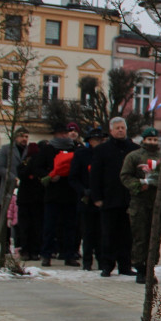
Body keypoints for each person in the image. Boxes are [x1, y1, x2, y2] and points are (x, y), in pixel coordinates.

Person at [90, 117, 138, 278]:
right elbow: (95, 175)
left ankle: (125, 265)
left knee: (126, 235)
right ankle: (107, 265)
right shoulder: (102, 150)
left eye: (122, 127)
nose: (120, 130)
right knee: (108, 235)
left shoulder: (134, 149)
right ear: (111, 131)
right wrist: (96, 197)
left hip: (128, 199)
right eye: (117, 128)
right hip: (108, 198)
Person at [119, 127, 161, 284]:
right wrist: (138, 185)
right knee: (140, 236)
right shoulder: (134, 156)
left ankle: (150, 267)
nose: (152, 142)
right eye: (149, 139)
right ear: (143, 140)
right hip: (139, 203)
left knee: (155, 237)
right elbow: (125, 176)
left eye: (154, 139)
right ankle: (140, 268)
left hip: (158, 204)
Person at [30, 123, 79, 267]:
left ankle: (69, 254)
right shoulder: (47, 149)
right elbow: (36, 167)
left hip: (70, 192)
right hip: (53, 193)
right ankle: (46, 254)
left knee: (70, 226)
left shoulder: (74, 148)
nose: (64, 136)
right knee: (50, 226)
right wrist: (49, 176)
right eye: (61, 133)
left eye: (66, 133)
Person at [69, 127, 106, 271]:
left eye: (101, 140)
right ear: (90, 141)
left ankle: (102, 261)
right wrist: (83, 191)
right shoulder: (81, 154)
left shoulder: (105, 154)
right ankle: (87, 261)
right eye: (97, 140)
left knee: (102, 233)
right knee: (88, 233)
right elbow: (73, 177)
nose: (100, 142)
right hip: (86, 199)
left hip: (103, 199)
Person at [0, 129, 29, 249]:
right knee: (5, 217)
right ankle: (4, 245)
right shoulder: (6, 149)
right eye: (22, 136)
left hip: (24, 188)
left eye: (26, 136)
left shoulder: (28, 150)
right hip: (8, 188)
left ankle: (20, 245)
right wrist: (13, 178)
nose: (24, 139)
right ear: (15, 137)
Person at [15, 143, 45, 260]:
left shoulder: (40, 166)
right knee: (25, 226)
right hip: (25, 200)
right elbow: (22, 175)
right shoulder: (22, 165)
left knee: (36, 227)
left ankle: (35, 250)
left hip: (37, 200)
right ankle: (25, 249)